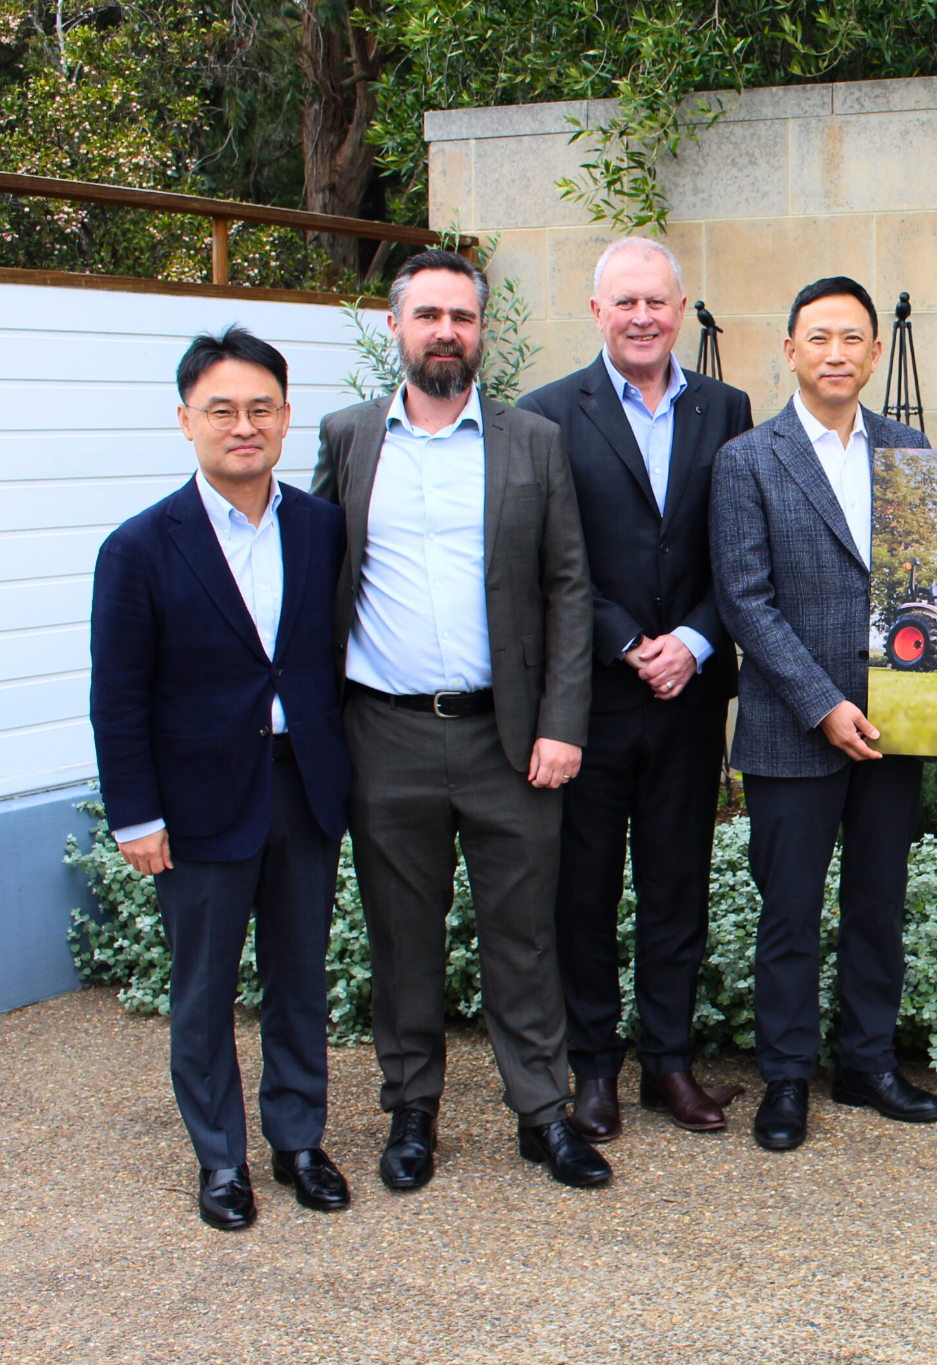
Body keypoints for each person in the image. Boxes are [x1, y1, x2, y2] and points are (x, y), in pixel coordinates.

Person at [311, 249, 607, 1191]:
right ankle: (412, 1112)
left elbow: (569, 586)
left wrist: (562, 722)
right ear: (397, 326)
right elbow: (316, 581)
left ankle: (542, 1115)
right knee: (403, 932)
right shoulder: (350, 438)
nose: (447, 331)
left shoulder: (533, 442)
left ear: (483, 332)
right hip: (384, 733)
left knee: (523, 931)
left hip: (508, 736)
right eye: (430, 314)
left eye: (464, 317)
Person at [90, 327, 351, 1230]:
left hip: (302, 784)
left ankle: (298, 1141)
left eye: (261, 409)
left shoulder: (319, 525)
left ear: (284, 418)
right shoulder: (139, 547)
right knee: (204, 988)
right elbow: (117, 698)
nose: (244, 426)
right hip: (197, 803)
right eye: (222, 410)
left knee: (299, 975)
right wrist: (135, 816)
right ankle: (220, 1160)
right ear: (186, 420)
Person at [518, 238, 755, 1141]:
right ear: (595, 312)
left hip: (691, 696)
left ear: (682, 305)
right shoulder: (546, 416)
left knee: (675, 885)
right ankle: (592, 1068)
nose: (643, 317)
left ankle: (668, 1063)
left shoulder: (726, 410)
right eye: (625, 302)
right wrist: (628, 642)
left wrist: (694, 639)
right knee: (582, 893)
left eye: (657, 301)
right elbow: (552, 556)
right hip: (591, 700)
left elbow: (739, 547)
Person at [710, 276, 937, 1152]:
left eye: (853, 338)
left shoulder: (910, 449)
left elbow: (936, 568)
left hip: (894, 724)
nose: (837, 352)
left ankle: (867, 1061)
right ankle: (784, 1077)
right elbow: (745, 600)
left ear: (876, 352)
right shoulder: (748, 459)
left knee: (878, 902)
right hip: (789, 728)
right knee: (789, 911)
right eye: (819, 338)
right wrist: (823, 703)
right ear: (790, 350)